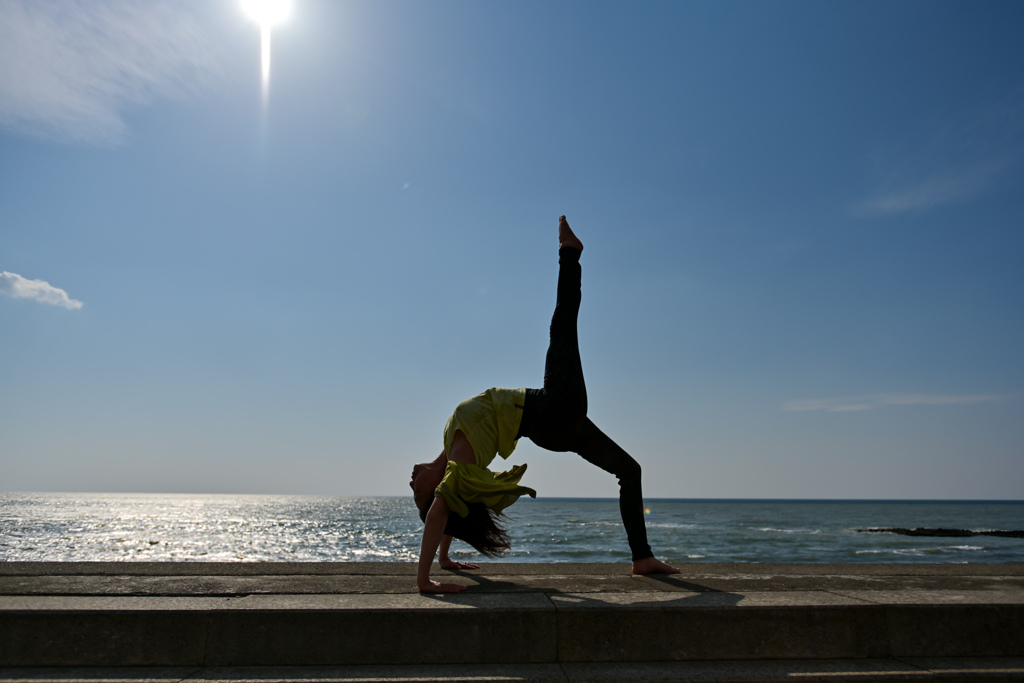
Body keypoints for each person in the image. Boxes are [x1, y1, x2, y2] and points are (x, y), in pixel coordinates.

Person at [410, 216, 679, 593]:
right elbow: (441, 510)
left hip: (554, 424)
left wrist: (445, 557)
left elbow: (446, 511)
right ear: (436, 487)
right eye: (416, 491)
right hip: (549, 410)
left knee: (629, 470)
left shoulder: (451, 446)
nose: (411, 480)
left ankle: (642, 557)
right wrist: (425, 580)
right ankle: (570, 253)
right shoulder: (459, 466)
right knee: (562, 326)